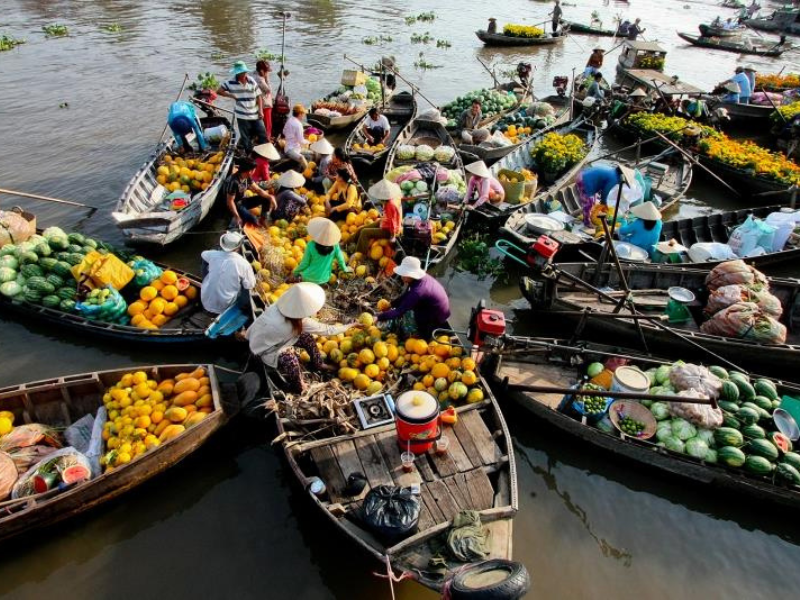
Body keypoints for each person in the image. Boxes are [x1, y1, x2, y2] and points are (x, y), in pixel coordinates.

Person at [247, 282, 355, 394]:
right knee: (290, 359)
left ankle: (318, 364)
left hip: (265, 339)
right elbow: (328, 330)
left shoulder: (277, 306)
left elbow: (260, 324)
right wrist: (351, 325)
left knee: (306, 337)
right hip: (265, 350)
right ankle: (297, 386)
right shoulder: (302, 323)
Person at [376, 256, 451, 339]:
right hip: (433, 308)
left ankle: (421, 336)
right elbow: (406, 295)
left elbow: (399, 311)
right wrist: (391, 304)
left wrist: (378, 317)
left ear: (411, 275)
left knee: (409, 326)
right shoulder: (420, 279)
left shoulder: (418, 291)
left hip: (436, 316)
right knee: (406, 307)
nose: (401, 276)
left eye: (404, 274)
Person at [217, 61, 266, 153]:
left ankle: (265, 152)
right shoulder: (230, 82)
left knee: (262, 133)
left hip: (255, 113)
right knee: (245, 137)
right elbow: (219, 91)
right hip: (242, 115)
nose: (243, 75)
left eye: (244, 72)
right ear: (237, 73)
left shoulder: (251, 80)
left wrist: (261, 110)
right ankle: (249, 154)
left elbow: (259, 96)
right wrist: (231, 95)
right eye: (241, 73)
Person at [200, 231, 255, 314]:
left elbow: (203, 254)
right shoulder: (244, 264)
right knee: (246, 286)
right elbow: (250, 285)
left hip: (205, 300)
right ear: (238, 247)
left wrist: (205, 275)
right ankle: (239, 308)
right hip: (225, 305)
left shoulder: (213, 254)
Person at [353, 179, 403, 254]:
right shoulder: (392, 198)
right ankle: (348, 243)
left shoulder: (390, 205)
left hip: (389, 231)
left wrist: (393, 236)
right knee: (362, 229)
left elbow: (393, 223)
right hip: (385, 222)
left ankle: (359, 256)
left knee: (364, 232)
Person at [293, 217, 349, 284]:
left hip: (308, 278)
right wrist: (345, 270)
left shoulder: (310, 245)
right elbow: (341, 260)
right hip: (324, 278)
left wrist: (295, 272)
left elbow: (304, 264)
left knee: (300, 276)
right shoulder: (335, 245)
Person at [225, 158, 276, 227]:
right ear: (250, 171)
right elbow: (230, 202)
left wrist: (270, 197)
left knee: (266, 199)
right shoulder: (234, 182)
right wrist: (237, 216)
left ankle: (262, 220)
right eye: (254, 170)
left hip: (243, 201)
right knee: (253, 220)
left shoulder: (247, 177)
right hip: (236, 205)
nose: (254, 171)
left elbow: (258, 190)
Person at [283, 103, 308, 171]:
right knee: (302, 158)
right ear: (300, 114)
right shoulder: (298, 125)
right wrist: (309, 141)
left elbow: (284, 131)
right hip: (291, 150)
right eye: (303, 114)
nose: (303, 116)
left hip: (289, 147)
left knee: (309, 153)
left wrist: (291, 136)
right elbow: (301, 141)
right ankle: (309, 175)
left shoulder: (290, 120)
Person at [254, 60, 274, 141]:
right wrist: (266, 78)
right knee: (267, 125)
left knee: (260, 124)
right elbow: (268, 90)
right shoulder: (260, 80)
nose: (267, 73)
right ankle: (267, 140)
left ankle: (262, 138)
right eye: (267, 71)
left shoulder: (253, 75)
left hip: (256, 104)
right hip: (264, 104)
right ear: (262, 71)